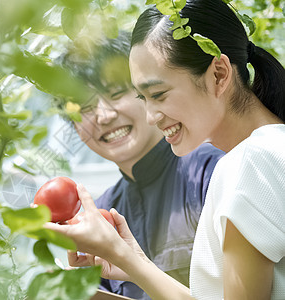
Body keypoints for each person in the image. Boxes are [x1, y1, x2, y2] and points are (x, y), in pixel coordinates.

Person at [46, 0, 285, 299]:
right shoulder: (263, 152)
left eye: (158, 94)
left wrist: (126, 259)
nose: (151, 116)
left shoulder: (248, 162)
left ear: (219, 74)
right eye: (144, 98)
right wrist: (129, 261)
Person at [58, 32, 224, 299]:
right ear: (75, 127)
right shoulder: (101, 213)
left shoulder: (210, 169)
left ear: (150, 94)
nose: (104, 115)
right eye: (85, 107)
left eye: (117, 93)